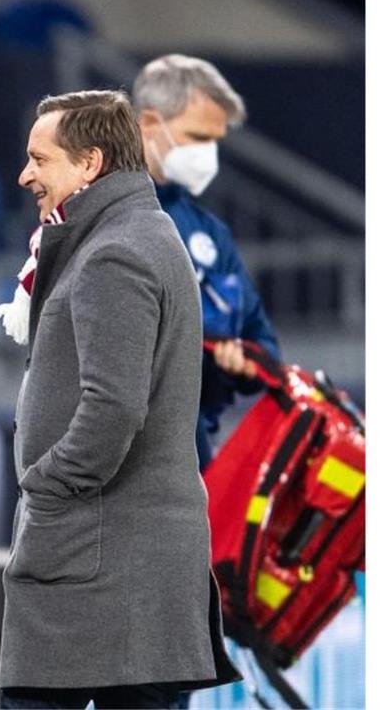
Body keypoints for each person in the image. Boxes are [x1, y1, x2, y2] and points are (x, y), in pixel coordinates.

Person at [0, 90, 239, 709]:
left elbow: (112, 410)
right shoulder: (133, 236)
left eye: (39, 159)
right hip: (118, 566)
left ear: (90, 164)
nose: (26, 175)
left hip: (100, 566)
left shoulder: (115, 253)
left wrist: (44, 486)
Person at [133, 54, 281, 470]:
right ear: (148, 125)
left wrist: (242, 362)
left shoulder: (209, 234)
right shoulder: (94, 215)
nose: (207, 154)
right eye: (197, 137)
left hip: (195, 458)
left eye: (214, 141)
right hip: (123, 459)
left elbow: (265, 346)